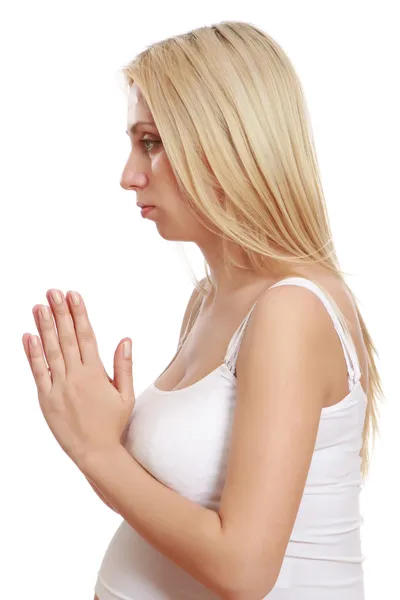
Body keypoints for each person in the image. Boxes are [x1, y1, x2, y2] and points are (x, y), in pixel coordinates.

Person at [92, 20, 382, 600]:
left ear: (225, 143)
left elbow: (244, 571)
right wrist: (111, 428)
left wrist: (94, 450)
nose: (129, 176)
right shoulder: (210, 299)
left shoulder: (291, 311)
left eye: (150, 141)